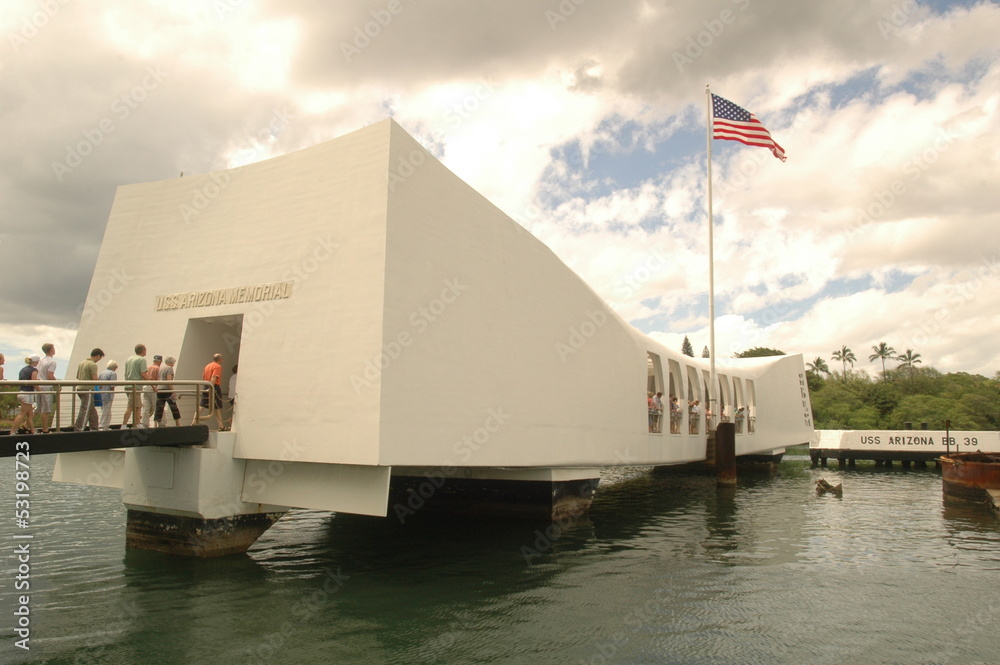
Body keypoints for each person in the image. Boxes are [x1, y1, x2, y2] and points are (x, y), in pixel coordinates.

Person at [74, 348, 104, 431]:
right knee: (85, 409)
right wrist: (100, 384)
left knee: (91, 409)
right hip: (88, 389)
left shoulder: (82, 363)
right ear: (98, 356)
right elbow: (94, 378)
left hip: (80, 388)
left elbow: (77, 376)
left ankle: (94, 427)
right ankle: (79, 428)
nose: (99, 360)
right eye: (100, 358)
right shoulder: (92, 364)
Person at [193, 353, 225, 430]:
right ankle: (221, 426)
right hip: (213, 386)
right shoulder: (217, 366)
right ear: (220, 359)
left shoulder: (207, 366)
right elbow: (214, 377)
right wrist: (211, 387)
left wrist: (207, 386)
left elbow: (203, 376)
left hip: (206, 385)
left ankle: (193, 422)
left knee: (203, 404)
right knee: (216, 406)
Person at [121, 344, 150, 428]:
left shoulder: (129, 359)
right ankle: (124, 424)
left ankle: (137, 423)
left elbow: (125, 373)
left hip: (128, 385)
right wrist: (152, 384)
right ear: (143, 351)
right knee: (131, 406)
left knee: (138, 405)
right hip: (135, 387)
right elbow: (143, 374)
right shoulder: (141, 360)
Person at [12, 356, 39, 434]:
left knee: (30, 414)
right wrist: (40, 391)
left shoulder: (23, 369)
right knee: (23, 413)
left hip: (21, 392)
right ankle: (12, 431)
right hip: (27, 394)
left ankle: (33, 431)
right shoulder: (34, 370)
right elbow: (34, 383)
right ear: (35, 361)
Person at [154, 356, 181, 427]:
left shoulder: (161, 368)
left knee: (159, 407)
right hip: (167, 390)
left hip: (160, 389)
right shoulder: (169, 368)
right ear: (171, 362)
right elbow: (169, 380)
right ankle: (177, 423)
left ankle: (156, 424)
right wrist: (173, 391)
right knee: (173, 406)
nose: (174, 364)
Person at [36, 342, 57, 433]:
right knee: (46, 410)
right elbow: (50, 376)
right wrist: (57, 383)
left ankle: (25, 426)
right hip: (46, 387)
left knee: (38, 408)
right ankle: (45, 429)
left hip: (38, 386)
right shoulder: (52, 362)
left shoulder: (40, 360)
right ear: (51, 350)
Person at [142, 355, 163, 427]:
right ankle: (160, 423)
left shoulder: (148, 368)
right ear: (160, 361)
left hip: (145, 387)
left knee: (146, 407)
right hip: (153, 388)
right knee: (156, 406)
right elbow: (159, 380)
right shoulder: (158, 369)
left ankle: (145, 423)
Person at [98, 360, 119, 430]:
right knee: (106, 410)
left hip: (101, 393)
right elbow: (112, 386)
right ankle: (103, 425)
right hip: (108, 394)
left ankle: (105, 425)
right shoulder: (112, 373)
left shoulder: (102, 373)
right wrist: (112, 394)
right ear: (115, 367)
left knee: (104, 410)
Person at [225, 364, 238, 429]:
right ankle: (232, 421)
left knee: (234, 411)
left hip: (230, 396)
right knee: (237, 412)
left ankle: (231, 421)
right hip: (235, 396)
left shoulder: (232, 377)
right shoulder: (238, 377)